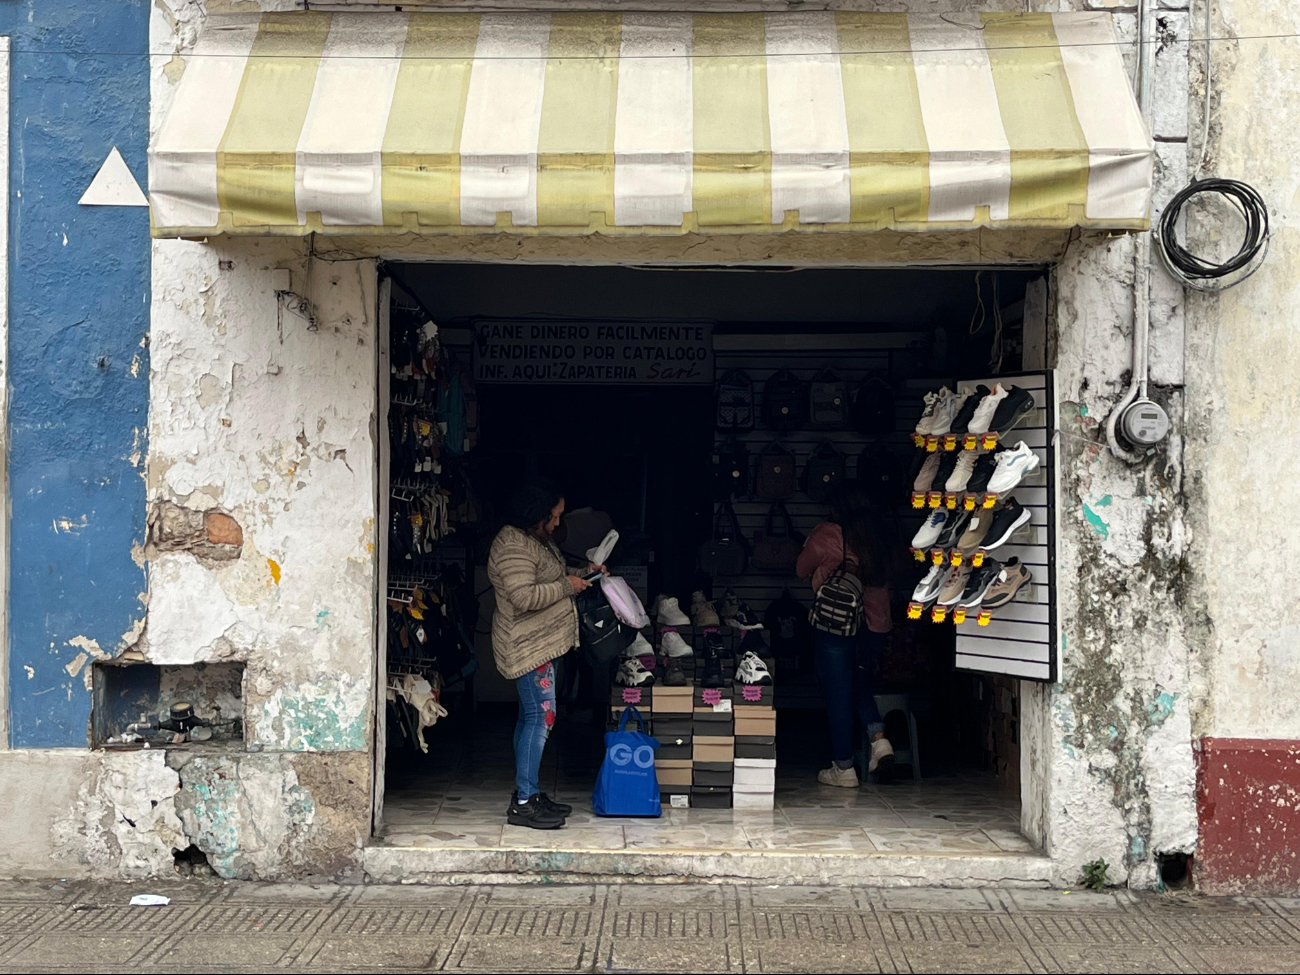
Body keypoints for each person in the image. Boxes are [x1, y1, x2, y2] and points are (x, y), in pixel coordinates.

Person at [487, 480, 607, 829]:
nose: (557, 523)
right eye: (553, 517)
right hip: (527, 647)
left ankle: (530, 793)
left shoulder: (533, 540)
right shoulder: (512, 546)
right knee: (541, 719)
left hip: (541, 645)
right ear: (534, 516)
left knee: (532, 718)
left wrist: (585, 574)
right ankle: (525, 802)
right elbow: (524, 597)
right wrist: (566, 587)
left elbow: (548, 577)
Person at [796, 481, 895, 788]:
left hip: (835, 625)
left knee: (838, 694)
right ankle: (879, 740)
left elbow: (801, 568)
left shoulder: (828, 534)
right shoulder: (877, 536)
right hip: (875, 626)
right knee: (859, 684)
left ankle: (844, 768)